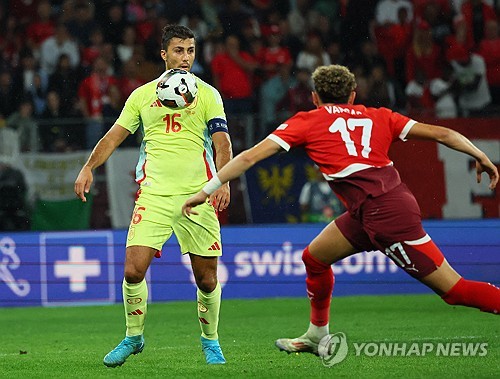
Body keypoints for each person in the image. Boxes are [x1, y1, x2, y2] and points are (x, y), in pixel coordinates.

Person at [182, 64, 500, 356]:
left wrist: (204, 191)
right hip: (373, 209)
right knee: (315, 258)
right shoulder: (380, 115)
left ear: (314, 97)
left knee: (454, 290)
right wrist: (479, 153)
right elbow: (443, 133)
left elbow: (250, 157)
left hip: (388, 217)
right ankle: (317, 336)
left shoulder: (306, 120)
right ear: (352, 95)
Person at [74, 24, 232, 367]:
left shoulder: (207, 94)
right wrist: (88, 167)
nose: (185, 57)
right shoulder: (142, 95)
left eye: (190, 50)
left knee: (207, 278)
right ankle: (134, 336)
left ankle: (211, 341)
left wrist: (222, 181)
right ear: (164, 54)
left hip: (198, 196)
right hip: (155, 195)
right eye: (178, 50)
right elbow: (113, 137)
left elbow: (222, 144)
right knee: (133, 270)